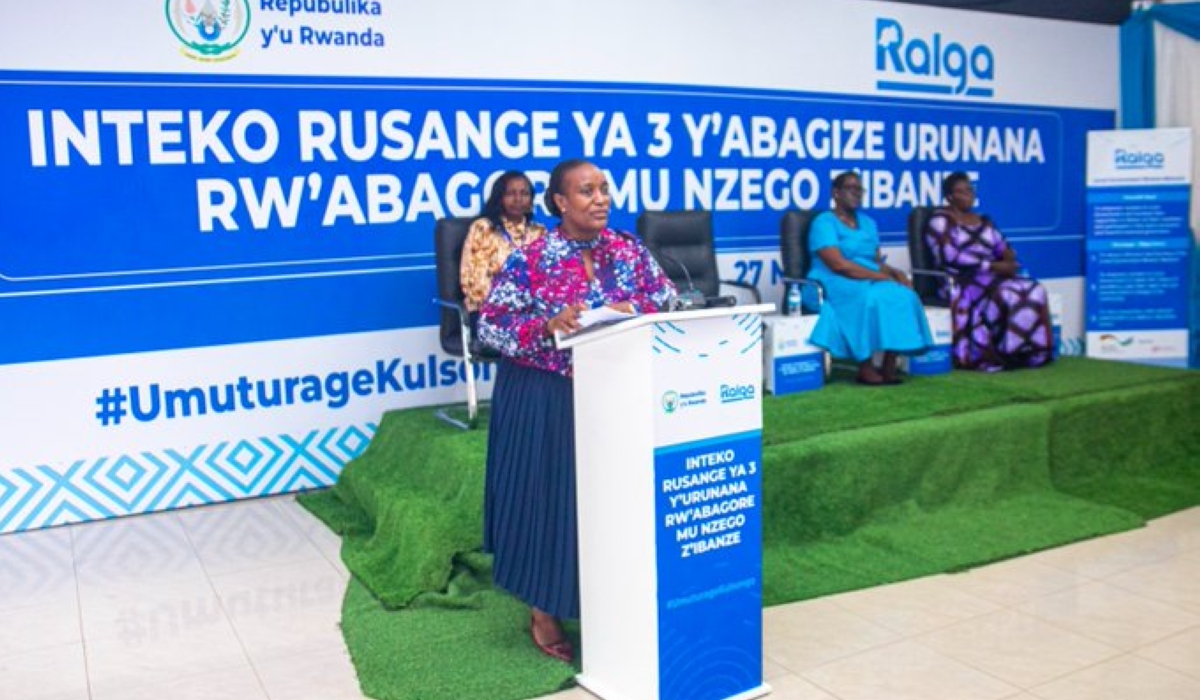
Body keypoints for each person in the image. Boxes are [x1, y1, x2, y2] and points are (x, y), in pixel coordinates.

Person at [476, 159, 675, 662]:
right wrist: (547, 326)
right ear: (560, 203)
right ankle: (544, 608)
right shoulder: (532, 257)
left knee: (611, 500)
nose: (601, 199)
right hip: (546, 394)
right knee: (550, 502)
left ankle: (613, 597)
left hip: (617, 390)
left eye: (604, 189)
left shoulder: (627, 249)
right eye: (587, 191)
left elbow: (668, 299)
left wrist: (634, 310)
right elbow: (491, 328)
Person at [807, 171, 933, 385]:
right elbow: (838, 264)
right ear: (836, 193)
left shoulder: (868, 223)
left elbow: (875, 261)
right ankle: (864, 366)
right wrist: (880, 277)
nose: (856, 193)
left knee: (903, 294)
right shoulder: (823, 223)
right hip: (832, 280)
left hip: (866, 275)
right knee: (866, 296)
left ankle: (890, 362)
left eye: (860, 189)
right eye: (850, 188)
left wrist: (895, 273)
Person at [923, 172, 1054, 372]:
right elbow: (949, 256)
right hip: (960, 279)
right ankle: (1004, 353)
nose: (968, 194)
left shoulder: (984, 221)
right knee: (1007, 294)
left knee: (1034, 289)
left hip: (993, 275)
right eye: (961, 191)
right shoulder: (940, 220)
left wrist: (1009, 256)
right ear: (949, 197)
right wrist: (991, 266)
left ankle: (1028, 351)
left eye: (970, 190)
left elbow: (1002, 246)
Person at [460, 170, 547, 313]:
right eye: (510, 194)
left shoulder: (539, 232)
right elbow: (475, 285)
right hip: (490, 310)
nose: (518, 199)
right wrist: (512, 305)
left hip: (532, 309)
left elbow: (547, 277)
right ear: (499, 198)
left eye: (524, 194)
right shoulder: (484, 229)